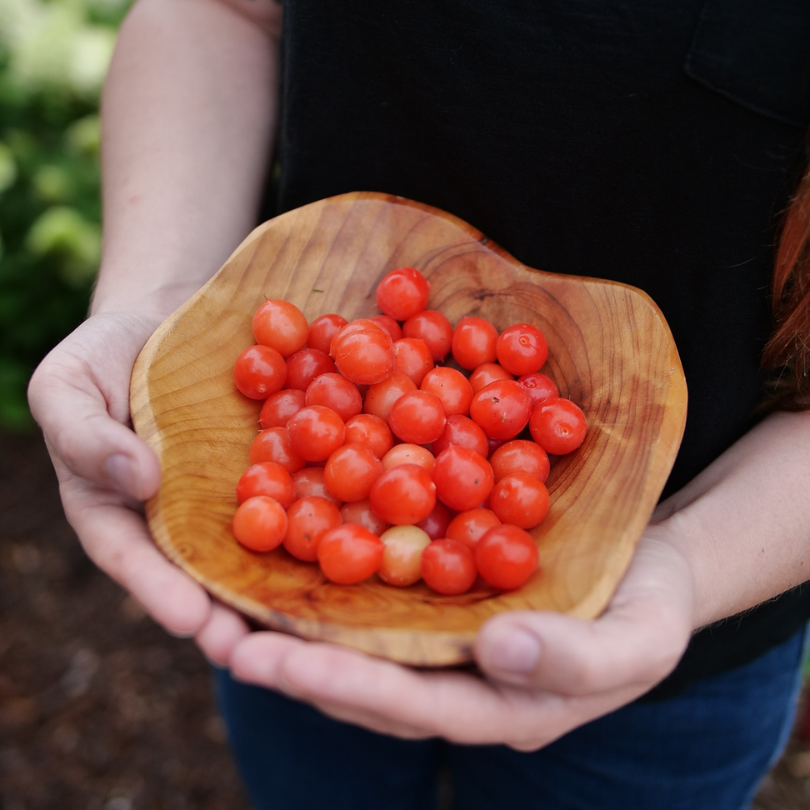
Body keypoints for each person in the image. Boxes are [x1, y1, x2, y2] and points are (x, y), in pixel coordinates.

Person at [27, 0, 810, 807]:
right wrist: (156, 299)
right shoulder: (343, 418)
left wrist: (687, 560)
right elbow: (221, 12)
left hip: (687, 630)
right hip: (296, 606)